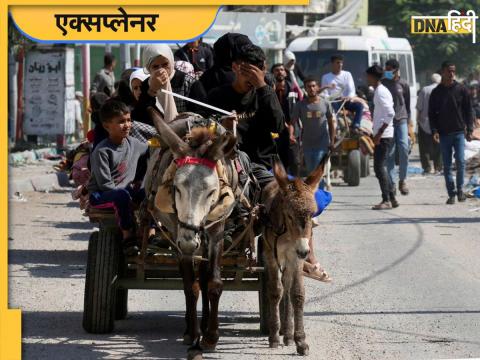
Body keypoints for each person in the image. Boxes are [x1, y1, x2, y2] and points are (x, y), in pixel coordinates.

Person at [208, 44, 330, 282]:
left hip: (259, 167)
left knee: (301, 200)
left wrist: (263, 86)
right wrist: (221, 124)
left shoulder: (266, 93)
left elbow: (277, 125)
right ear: (235, 68)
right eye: (249, 70)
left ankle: (308, 257)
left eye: (259, 70)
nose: (255, 76)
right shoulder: (217, 96)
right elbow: (203, 130)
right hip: (223, 165)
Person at [87, 100, 149, 255]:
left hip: (125, 192)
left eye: (129, 120)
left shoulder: (133, 143)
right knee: (121, 195)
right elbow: (105, 185)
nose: (127, 125)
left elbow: (152, 146)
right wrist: (128, 196)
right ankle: (128, 235)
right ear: (107, 126)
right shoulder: (102, 151)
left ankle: (149, 233)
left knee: (149, 194)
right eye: (121, 122)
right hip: (102, 195)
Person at [429, 61, 474, 204]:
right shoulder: (436, 92)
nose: (452, 73)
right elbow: (431, 114)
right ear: (443, 72)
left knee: (460, 162)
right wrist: (434, 130)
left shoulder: (462, 89)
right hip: (443, 134)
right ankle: (451, 193)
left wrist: (470, 129)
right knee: (447, 165)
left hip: (459, 132)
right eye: (449, 71)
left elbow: (468, 110)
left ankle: (460, 190)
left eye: (454, 71)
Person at [366, 65, 398, 210]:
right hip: (382, 133)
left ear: (373, 77)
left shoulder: (381, 92)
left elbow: (390, 113)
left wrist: (379, 133)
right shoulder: (379, 90)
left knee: (379, 168)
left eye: (368, 76)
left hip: (384, 135)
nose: (366, 79)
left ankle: (386, 199)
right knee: (380, 167)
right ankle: (392, 197)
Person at [291, 78, 335, 174]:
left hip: (322, 144)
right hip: (307, 145)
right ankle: (316, 189)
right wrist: (291, 135)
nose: (311, 88)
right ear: (305, 89)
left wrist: (332, 141)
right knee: (311, 173)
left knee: (318, 172)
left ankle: (320, 188)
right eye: (309, 86)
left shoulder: (326, 104)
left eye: (313, 86)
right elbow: (292, 122)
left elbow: (331, 123)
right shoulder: (300, 105)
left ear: (318, 87)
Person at [382, 59, 412, 195]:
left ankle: (403, 180)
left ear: (396, 70)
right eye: (386, 69)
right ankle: (391, 184)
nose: (387, 72)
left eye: (389, 69)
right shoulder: (383, 84)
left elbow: (407, 104)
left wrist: (410, 125)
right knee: (390, 154)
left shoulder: (404, 84)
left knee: (404, 148)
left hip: (402, 120)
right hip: (388, 122)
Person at [271, 63, 302, 176]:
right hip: (276, 132)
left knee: (294, 162)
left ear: (285, 72)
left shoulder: (293, 89)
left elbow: (300, 108)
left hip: (292, 132)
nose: (279, 72)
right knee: (279, 162)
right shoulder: (269, 91)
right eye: (276, 70)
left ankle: (295, 188)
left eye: (282, 69)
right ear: (273, 73)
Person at [321, 54, 363, 130]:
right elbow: (325, 94)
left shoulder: (347, 74)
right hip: (334, 102)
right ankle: (336, 128)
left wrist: (348, 97)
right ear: (332, 64)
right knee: (332, 110)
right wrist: (334, 98)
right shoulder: (326, 77)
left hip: (346, 101)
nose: (340, 65)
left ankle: (356, 125)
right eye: (337, 63)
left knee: (359, 106)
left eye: (341, 63)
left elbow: (352, 90)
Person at [417, 73, 442, 174]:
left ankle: (427, 167)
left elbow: (419, 107)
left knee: (424, 147)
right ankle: (438, 167)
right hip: (439, 123)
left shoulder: (424, 90)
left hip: (425, 122)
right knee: (438, 146)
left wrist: (418, 120)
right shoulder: (443, 90)